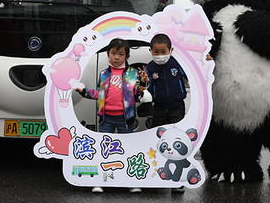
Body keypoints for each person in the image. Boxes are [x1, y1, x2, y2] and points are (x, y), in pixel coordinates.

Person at [75, 38, 147, 193]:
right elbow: (98, 94)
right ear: (108, 54)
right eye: (113, 53)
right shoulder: (104, 74)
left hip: (125, 119)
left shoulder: (133, 73)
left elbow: (138, 95)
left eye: (120, 54)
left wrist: (144, 84)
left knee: (128, 150)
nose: (116, 57)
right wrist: (84, 92)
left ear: (127, 57)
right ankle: (101, 181)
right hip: (106, 118)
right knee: (104, 151)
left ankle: (131, 181)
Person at [139, 33, 188, 127]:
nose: (160, 55)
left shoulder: (177, 64)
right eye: (156, 52)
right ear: (151, 51)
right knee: (158, 131)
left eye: (164, 51)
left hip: (177, 106)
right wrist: (145, 81)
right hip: (158, 107)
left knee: (176, 130)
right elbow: (145, 91)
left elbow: (192, 77)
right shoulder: (149, 68)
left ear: (171, 50)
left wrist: (205, 61)